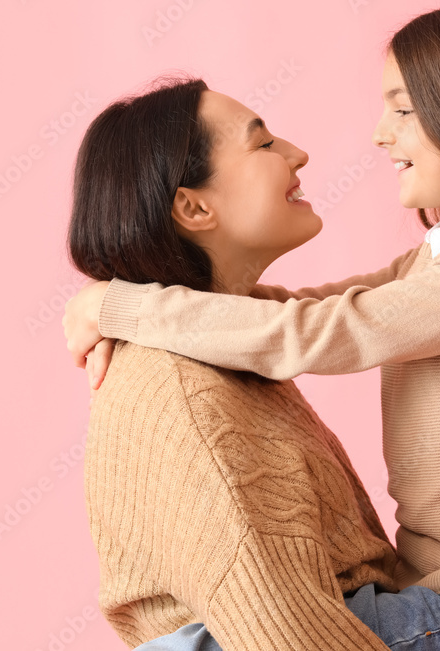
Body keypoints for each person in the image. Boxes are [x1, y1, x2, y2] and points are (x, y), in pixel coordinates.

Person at [66, 0, 440, 651]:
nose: (381, 134)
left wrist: (122, 306)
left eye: (403, 110)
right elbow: (304, 309)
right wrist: (111, 299)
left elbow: (320, 330)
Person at [68, 76, 401, 650]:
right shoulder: (186, 394)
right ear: (194, 206)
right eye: (264, 144)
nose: (298, 154)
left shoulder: (226, 335)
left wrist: (112, 302)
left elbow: (374, 303)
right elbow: (283, 637)